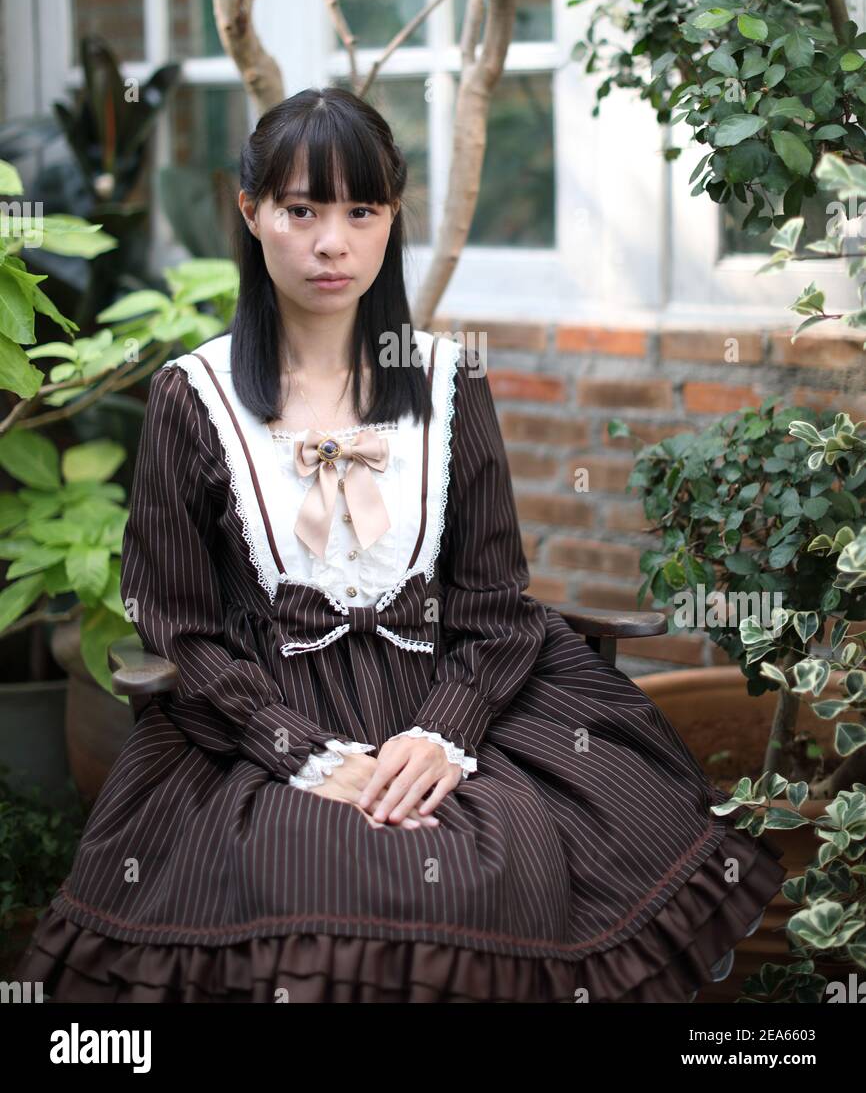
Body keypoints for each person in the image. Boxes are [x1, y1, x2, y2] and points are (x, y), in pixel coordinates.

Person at [15, 86, 786, 1003]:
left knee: (503, 864)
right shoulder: (196, 397)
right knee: (313, 876)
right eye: (301, 210)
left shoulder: (449, 380)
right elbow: (179, 626)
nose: (331, 241)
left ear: (390, 218)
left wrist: (445, 736)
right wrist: (304, 752)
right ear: (250, 211)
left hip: (444, 695)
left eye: (361, 210)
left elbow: (494, 601)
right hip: (265, 718)